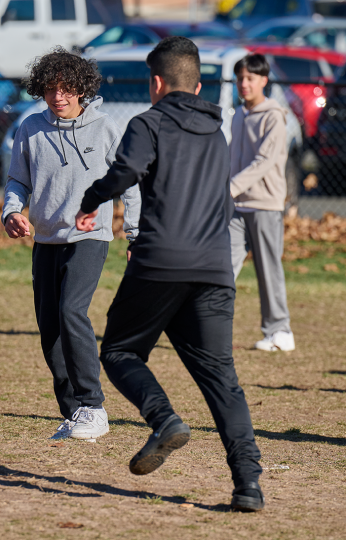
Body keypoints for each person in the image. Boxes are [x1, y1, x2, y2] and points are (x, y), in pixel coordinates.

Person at [76, 37, 264, 511]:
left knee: (119, 350)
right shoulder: (216, 133)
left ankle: (163, 420)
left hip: (161, 262)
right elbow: (222, 200)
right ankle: (249, 485)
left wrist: (91, 200)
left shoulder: (148, 122)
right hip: (215, 266)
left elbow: (127, 170)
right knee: (223, 378)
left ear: (156, 83)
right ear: (197, 85)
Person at [2, 47, 141, 440]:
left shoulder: (105, 128)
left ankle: (93, 405)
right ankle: (75, 412)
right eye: (49, 90)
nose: (57, 97)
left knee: (71, 311)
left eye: (65, 89)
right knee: (49, 329)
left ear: (82, 90)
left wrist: (136, 232)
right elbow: (18, 181)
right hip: (45, 238)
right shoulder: (30, 128)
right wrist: (13, 212)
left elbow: (129, 183)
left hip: (90, 236)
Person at [229, 53, 295, 352]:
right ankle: (208, 326)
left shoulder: (274, 116)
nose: (244, 84)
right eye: (240, 78)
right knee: (221, 267)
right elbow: (233, 158)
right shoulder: (239, 115)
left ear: (264, 80)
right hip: (235, 206)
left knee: (268, 271)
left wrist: (229, 188)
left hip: (265, 205)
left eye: (250, 78)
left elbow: (265, 162)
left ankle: (280, 331)